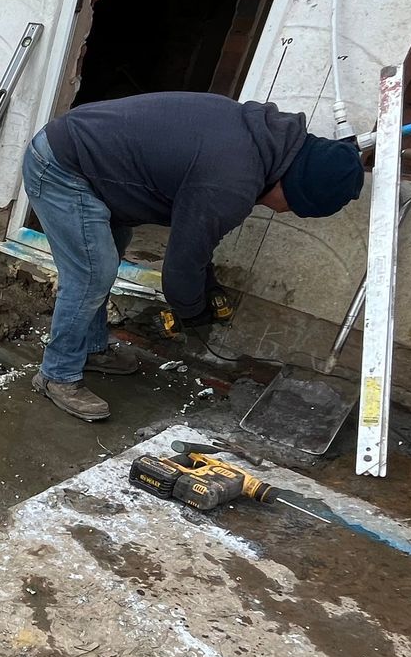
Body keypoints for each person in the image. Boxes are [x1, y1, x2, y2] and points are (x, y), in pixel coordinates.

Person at [22, 91, 366, 421]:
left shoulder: (262, 141)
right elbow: (180, 268)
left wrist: (208, 282)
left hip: (91, 163)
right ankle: (57, 375)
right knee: (92, 273)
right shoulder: (233, 179)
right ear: (294, 184)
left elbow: (198, 237)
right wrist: (193, 312)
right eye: (293, 205)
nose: (283, 211)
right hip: (61, 167)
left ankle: (91, 350)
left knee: (101, 263)